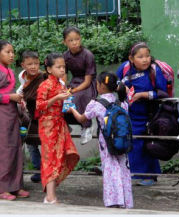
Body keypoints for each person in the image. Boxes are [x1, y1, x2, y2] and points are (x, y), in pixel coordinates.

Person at [69, 72, 133, 208]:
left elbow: (82, 118)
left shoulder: (96, 104)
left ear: (101, 86)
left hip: (106, 143)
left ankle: (114, 201)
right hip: (122, 141)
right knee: (123, 169)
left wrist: (72, 108)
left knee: (110, 169)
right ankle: (126, 202)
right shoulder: (122, 103)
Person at [0, 39, 30, 200]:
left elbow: (12, 93)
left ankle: (15, 186)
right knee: (1, 151)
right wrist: (10, 97)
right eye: (7, 52)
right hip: (1, 115)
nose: (11, 55)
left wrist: (19, 100)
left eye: (12, 52)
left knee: (15, 149)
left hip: (12, 113)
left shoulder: (9, 71)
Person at [116, 42, 168, 186]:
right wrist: (123, 88)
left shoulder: (154, 71)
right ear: (131, 59)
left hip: (149, 114)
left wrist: (142, 95)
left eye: (147, 56)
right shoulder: (125, 67)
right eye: (140, 57)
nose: (145, 59)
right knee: (131, 142)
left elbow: (162, 93)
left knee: (146, 143)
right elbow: (116, 81)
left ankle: (149, 176)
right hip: (129, 113)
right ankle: (133, 173)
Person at [36, 53, 79, 204]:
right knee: (49, 158)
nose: (62, 70)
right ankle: (50, 196)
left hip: (59, 123)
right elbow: (39, 105)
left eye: (63, 67)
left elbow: (62, 104)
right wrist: (57, 98)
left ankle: (51, 196)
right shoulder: (45, 85)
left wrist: (67, 104)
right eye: (58, 67)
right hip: (48, 124)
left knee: (59, 157)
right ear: (48, 69)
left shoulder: (61, 84)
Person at [62, 26, 97, 144]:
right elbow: (64, 77)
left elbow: (87, 81)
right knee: (62, 99)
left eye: (76, 39)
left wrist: (74, 90)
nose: (74, 43)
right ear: (64, 42)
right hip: (74, 83)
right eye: (70, 40)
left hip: (89, 84)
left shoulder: (88, 55)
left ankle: (87, 126)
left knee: (77, 97)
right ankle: (66, 125)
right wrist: (63, 89)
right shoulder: (65, 56)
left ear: (80, 39)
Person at [16, 50, 44, 183]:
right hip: (30, 115)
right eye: (29, 64)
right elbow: (21, 90)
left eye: (36, 63)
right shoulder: (22, 77)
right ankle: (38, 170)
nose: (33, 67)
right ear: (23, 65)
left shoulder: (44, 77)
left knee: (46, 144)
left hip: (44, 116)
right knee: (31, 144)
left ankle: (47, 170)